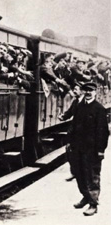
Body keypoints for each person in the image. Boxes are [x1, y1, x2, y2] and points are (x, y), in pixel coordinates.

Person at [70, 82, 109, 216]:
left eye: (90, 91)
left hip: (92, 149)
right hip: (78, 147)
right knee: (79, 174)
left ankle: (93, 204)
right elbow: (74, 126)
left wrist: (100, 150)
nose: (88, 93)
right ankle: (86, 197)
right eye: (85, 90)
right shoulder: (80, 106)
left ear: (95, 92)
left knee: (92, 176)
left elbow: (103, 132)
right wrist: (71, 143)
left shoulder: (99, 109)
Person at [58, 82, 84, 181]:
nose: (74, 91)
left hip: (82, 132)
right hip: (73, 131)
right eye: (74, 89)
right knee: (69, 152)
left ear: (82, 91)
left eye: (76, 89)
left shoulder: (86, 102)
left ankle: (81, 173)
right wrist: (63, 117)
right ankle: (74, 173)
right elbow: (70, 112)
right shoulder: (75, 101)